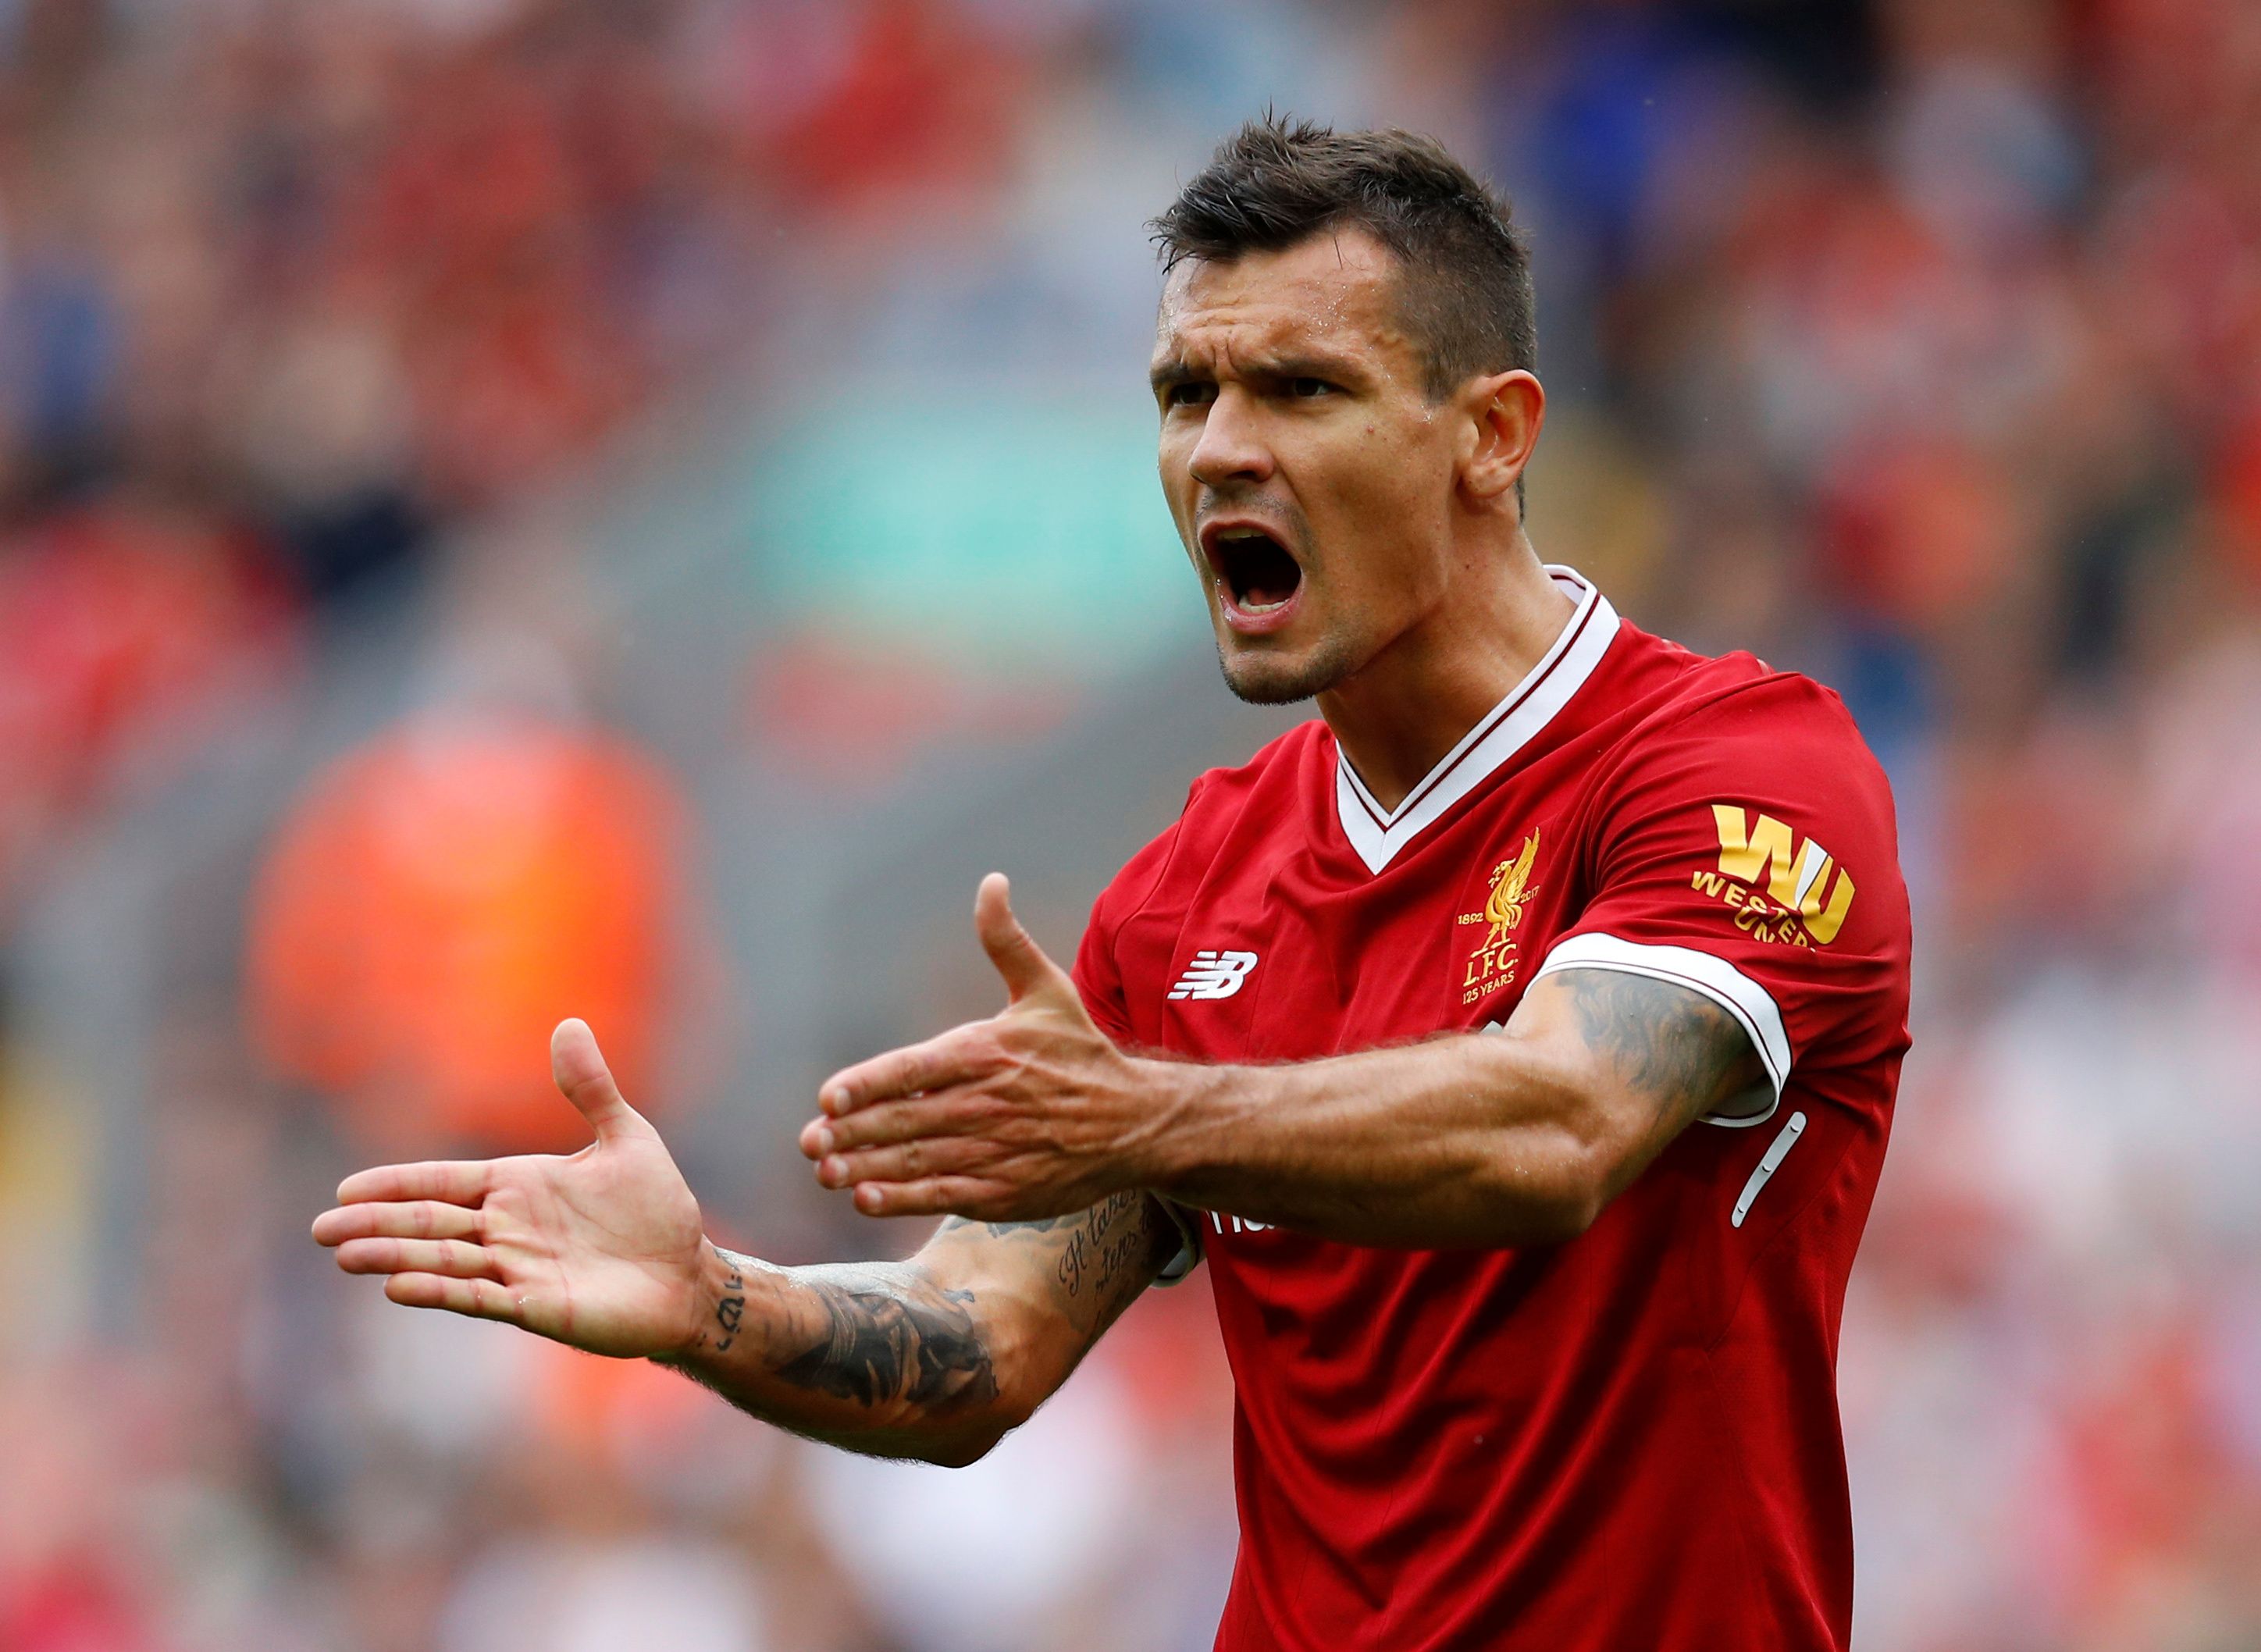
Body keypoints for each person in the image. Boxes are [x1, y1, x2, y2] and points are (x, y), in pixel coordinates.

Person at [315, 117, 1910, 1650]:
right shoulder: (1188, 893)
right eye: (1184, 393)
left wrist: (1145, 1115)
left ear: (1490, 435)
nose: (1221, 450)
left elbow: (1560, 1127)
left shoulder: (1731, 771)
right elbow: (983, 1337)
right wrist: (712, 1303)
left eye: (1301, 388)